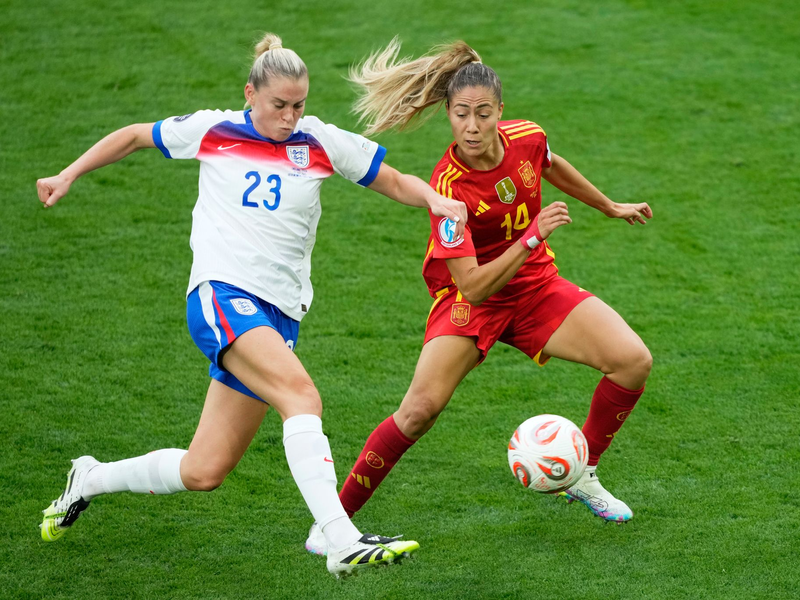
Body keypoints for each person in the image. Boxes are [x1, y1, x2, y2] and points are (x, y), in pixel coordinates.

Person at [36, 33, 469, 577]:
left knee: (205, 469)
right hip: (221, 295)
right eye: (279, 106)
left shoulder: (319, 142)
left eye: (299, 105)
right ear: (250, 94)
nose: (290, 117)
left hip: (279, 313)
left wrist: (432, 197)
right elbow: (132, 137)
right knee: (301, 396)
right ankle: (340, 539)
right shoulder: (213, 130)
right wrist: (68, 173)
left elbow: (391, 180)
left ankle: (90, 478)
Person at [305, 38, 653, 555]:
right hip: (470, 303)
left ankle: (583, 472)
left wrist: (608, 205)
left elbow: (551, 163)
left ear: (499, 114)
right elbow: (472, 283)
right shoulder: (449, 189)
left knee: (632, 361)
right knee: (418, 411)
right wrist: (532, 236)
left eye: (482, 114)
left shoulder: (528, 137)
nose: (471, 126)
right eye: (461, 114)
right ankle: (333, 525)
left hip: (534, 288)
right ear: (448, 114)